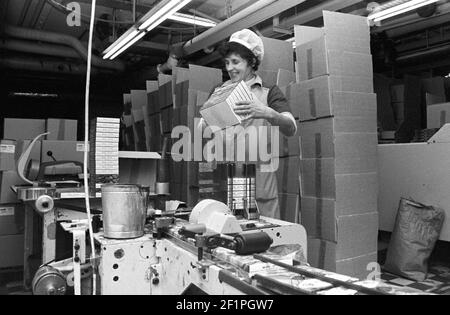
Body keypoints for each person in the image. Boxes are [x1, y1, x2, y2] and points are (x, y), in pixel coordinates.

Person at [203, 29, 297, 219]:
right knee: (227, 238)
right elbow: (202, 131)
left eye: (236, 62)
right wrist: (211, 117)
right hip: (226, 180)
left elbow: (291, 128)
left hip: (260, 184)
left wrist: (267, 112)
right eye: (227, 62)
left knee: (264, 238)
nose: (230, 68)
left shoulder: (269, 92)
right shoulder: (218, 91)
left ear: (252, 62)